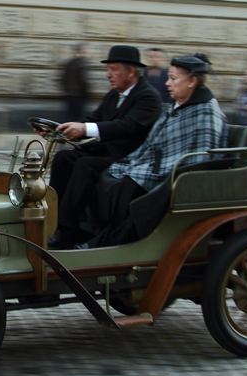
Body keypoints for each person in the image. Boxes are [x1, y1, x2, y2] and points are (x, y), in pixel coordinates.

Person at [50, 53, 228, 250]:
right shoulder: (177, 105)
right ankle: (63, 227)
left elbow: (201, 157)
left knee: (126, 183)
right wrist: (64, 130)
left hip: (176, 173)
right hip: (149, 161)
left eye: (173, 78)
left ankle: (105, 243)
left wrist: (156, 167)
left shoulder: (204, 111)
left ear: (192, 81)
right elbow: (153, 140)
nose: (167, 83)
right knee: (67, 159)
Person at [44, 45, 163, 249]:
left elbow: (127, 126)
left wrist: (84, 128)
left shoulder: (148, 96)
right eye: (108, 69)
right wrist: (59, 129)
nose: (108, 75)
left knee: (86, 165)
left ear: (131, 71)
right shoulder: (114, 94)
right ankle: (51, 218)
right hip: (107, 152)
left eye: (113, 69)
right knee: (64, 158)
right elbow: (93, 119)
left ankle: (66, 230)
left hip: (130, 157)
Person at [60, 43, 90, 121]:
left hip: (70, 94)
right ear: (82, 51)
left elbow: (63, 79)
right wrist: (86, 92)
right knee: (76, 117)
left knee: (70, 115)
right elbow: (83, 80)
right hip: (78, 95)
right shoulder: (82, 63)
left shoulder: (70, 62)